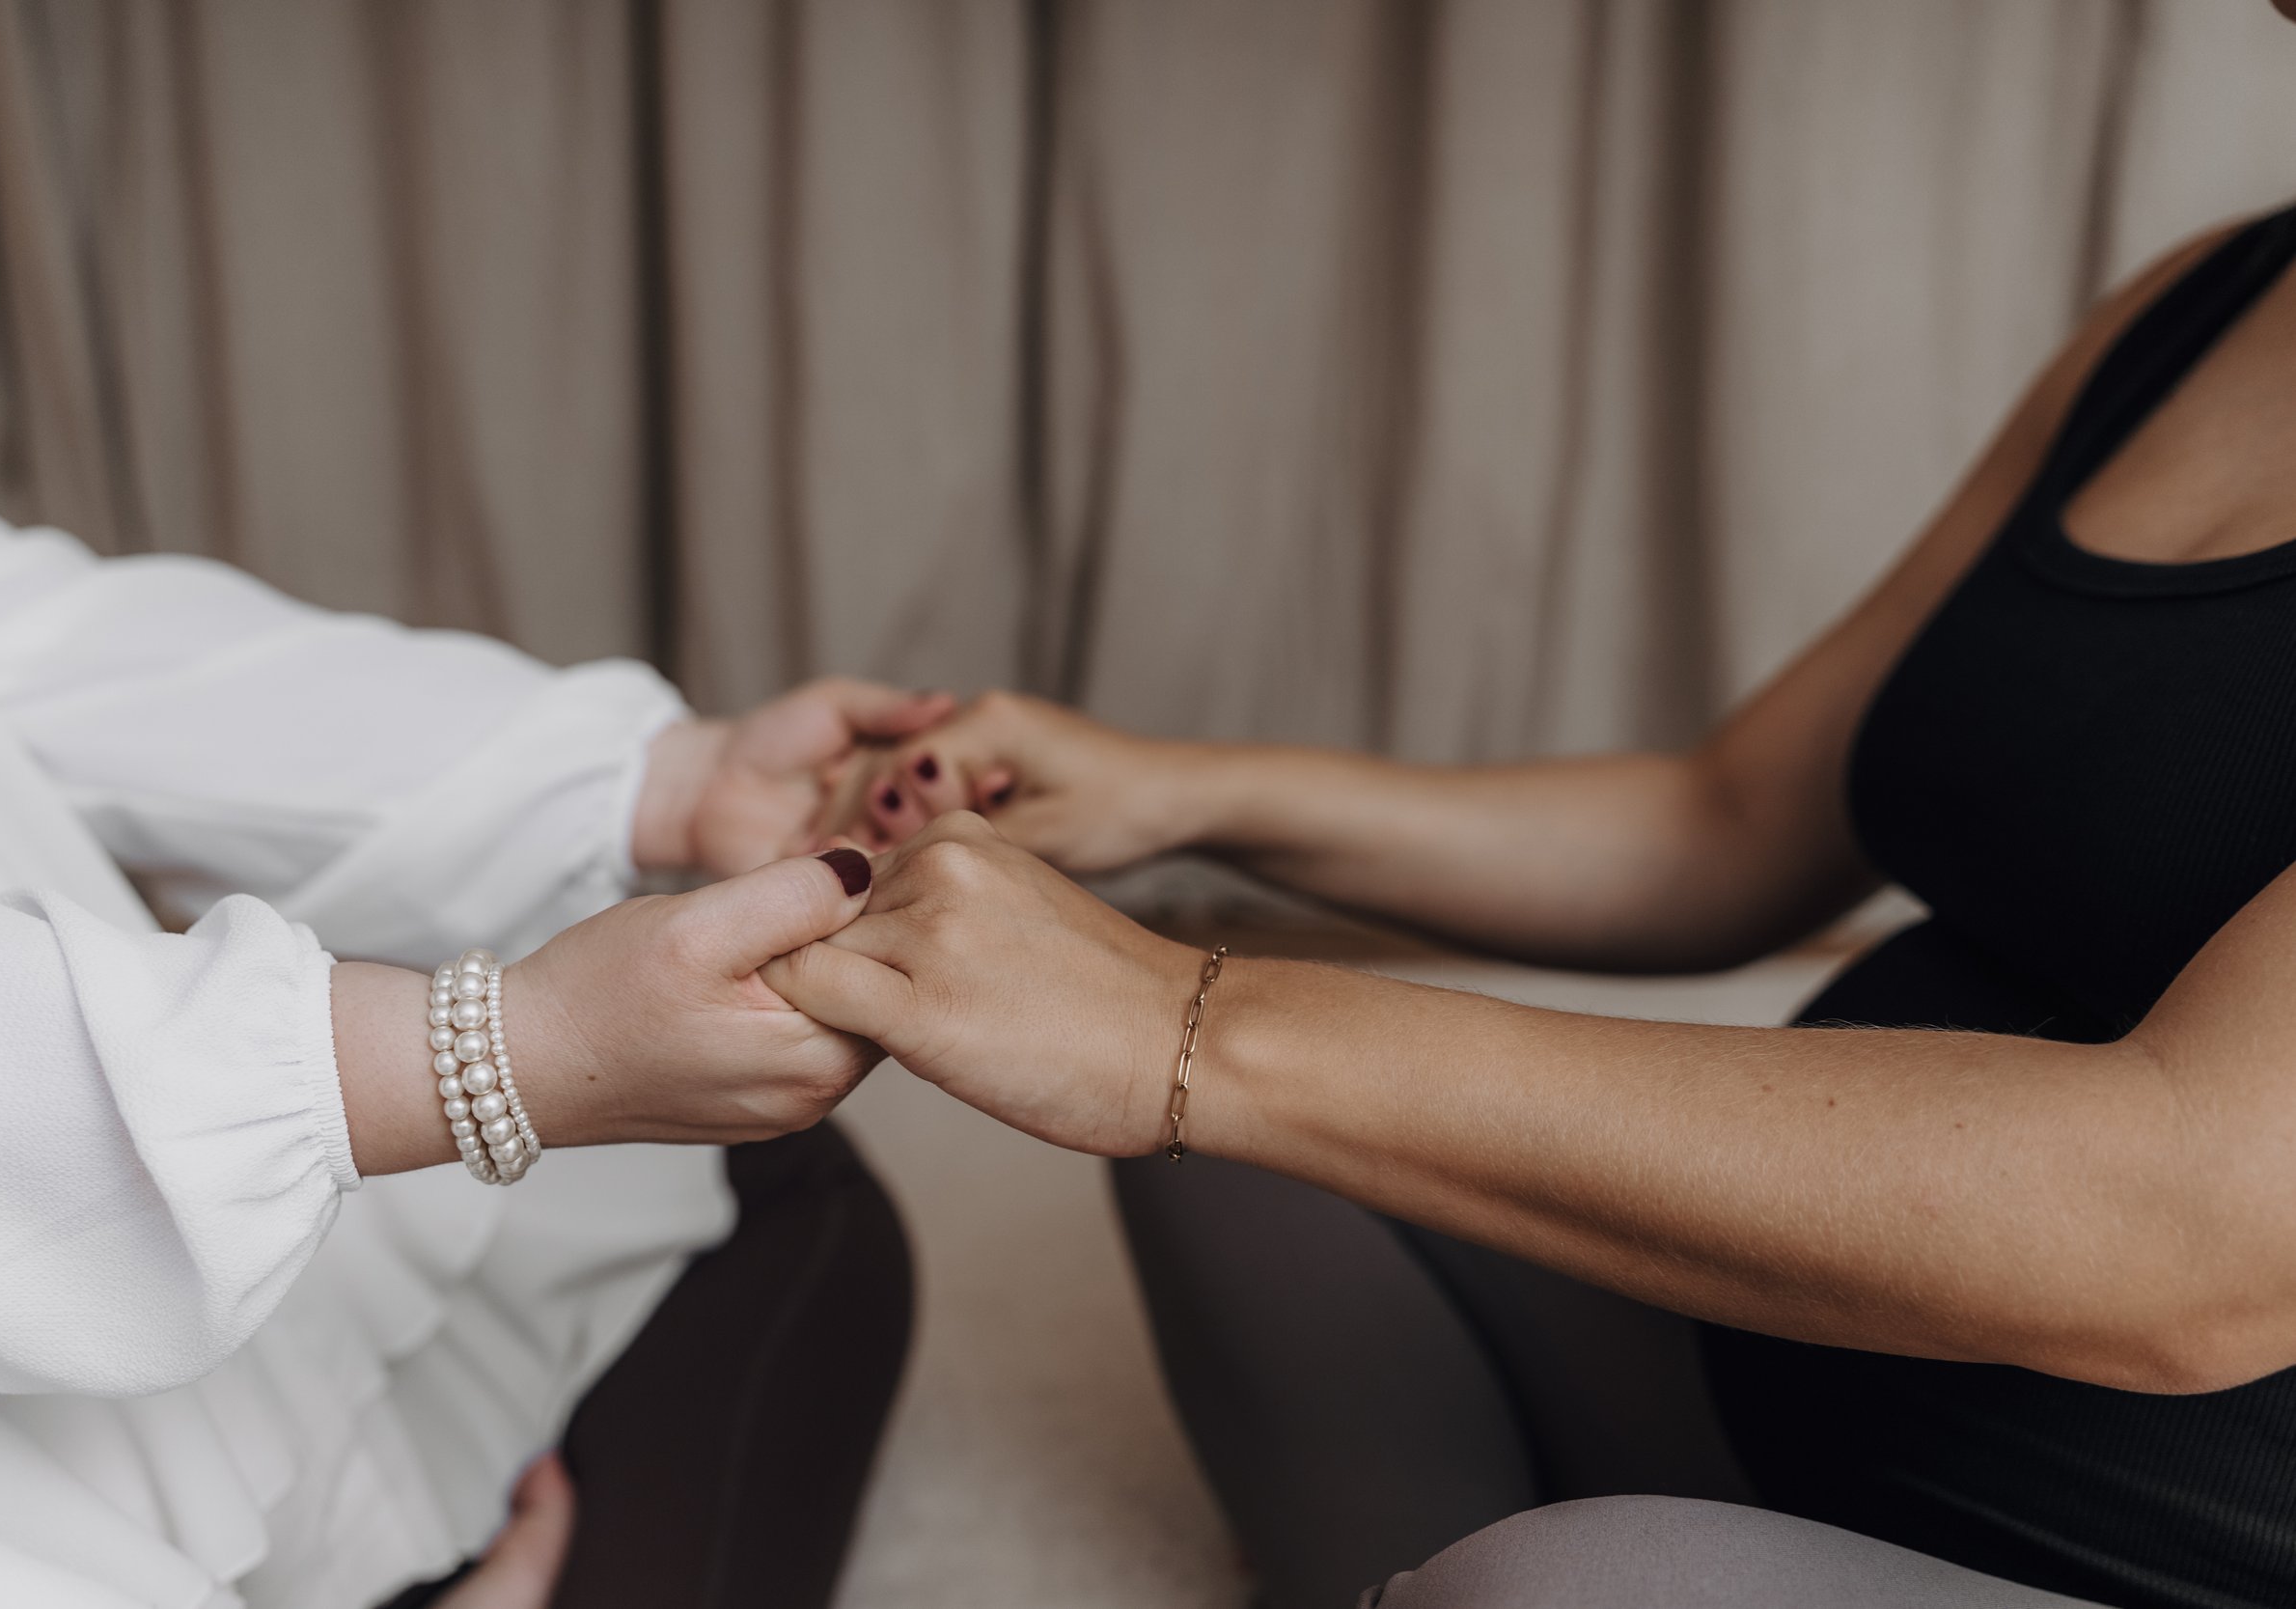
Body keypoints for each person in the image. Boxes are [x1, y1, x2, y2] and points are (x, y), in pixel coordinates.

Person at [775, 192, 2296, 1608]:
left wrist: (1180, 1019)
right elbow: (1724, 824)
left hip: (2160, 1526)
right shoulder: (2209, 300)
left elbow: (2174, 1228)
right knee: (1242, 1144)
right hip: (1798, 1343)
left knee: (1559, 1577)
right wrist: (1183, 797)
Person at [0, 450, 934, 1609]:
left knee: (778, 1190)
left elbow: (39, 645)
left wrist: (667, 782)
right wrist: (498, 1050)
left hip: (188, 1296)